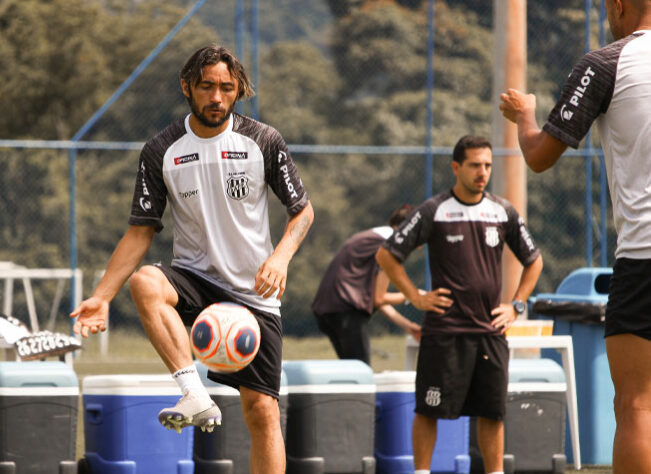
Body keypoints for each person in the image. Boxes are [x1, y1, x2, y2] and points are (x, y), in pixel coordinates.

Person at [70, 44, 313, 473]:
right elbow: (141, 230)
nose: (216, 97)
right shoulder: (161, 149)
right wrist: (102, 296)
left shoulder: (263, 140)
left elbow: (303, 212)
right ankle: (193, 393)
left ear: (237, 91)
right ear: (188, 87)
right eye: (206, 87)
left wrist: (280, 258)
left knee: (262, 412)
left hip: (253, 293)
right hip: (195, 279)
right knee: (145, 281)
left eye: (226, 88)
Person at [499, 1, 651, 469]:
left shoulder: (605, 63)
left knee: (636, 404)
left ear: (618, 6)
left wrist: (525, 116)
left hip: (643, 256)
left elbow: (541, 156)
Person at [376, 135, 543, 474]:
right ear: (456, 167)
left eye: (487, 166)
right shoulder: (434, 210)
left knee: (492, 412)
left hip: (489, 332)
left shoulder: (502, 211)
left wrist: (517, 306)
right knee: (429, 409)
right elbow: (387, 255)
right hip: (445, 333)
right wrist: (415, 297)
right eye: (474, 165)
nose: (482, 173)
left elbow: (534, 260)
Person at [312, 205, 421, 365]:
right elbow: (379, 298)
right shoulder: (391, 245)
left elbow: (375, 298)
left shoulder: (376, 236)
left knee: (352, 373)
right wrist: (416, 295)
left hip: (330, 309)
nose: (419, 244)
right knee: (362, 374)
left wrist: (409, 327)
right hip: (347, 310)